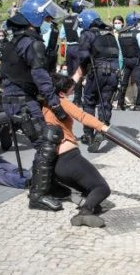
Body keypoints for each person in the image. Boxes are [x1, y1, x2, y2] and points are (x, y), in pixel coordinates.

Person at [0, 0, 69, 211]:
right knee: (46, 142)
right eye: (47, 19)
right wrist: (54, 103)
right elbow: (40, 75)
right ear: (36, 19)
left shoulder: (16, 39)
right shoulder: (31, 43)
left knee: (45, 141)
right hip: (21, 100)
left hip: (16, 97)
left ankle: (48, 183)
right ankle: (38, 195)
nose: (50, 22)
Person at [44, 74, 112, 228]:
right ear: (62, 92)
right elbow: (81, 116)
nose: (72, 91)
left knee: (90, 189)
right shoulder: (60, 101)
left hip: (54, 164)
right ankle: (84, 214)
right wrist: (103, 127)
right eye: (70, 89)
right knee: (102, 188)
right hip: (69, 158)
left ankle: (90, 205)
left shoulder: (43, 105)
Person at [76, 9, 120, 153]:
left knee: (89, 101)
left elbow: (82, 56)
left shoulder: (87, 34)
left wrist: (81, 73)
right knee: (105, 103)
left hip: (96, 72)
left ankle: (88, 134)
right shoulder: (110, 35)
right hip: (113, 72)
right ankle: (102, 129)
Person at [60, 0, 91, 106]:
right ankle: (77, 99)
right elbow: (80, 34)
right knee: (79, 73)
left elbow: (62, 35)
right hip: (78, 47)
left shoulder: (65, 19)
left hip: (69, 48)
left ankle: (67, 96)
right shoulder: (80, 19)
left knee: (70, 73)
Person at [116, 12, 140, 111]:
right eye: (139, 21)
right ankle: (139, 104)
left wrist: (120, 66)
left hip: (125, 61)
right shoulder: (138, 34)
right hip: (137, 61)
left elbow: (120, 52)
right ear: (135, 22)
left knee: (124, 83)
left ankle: (120, 104)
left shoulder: (120, 34)